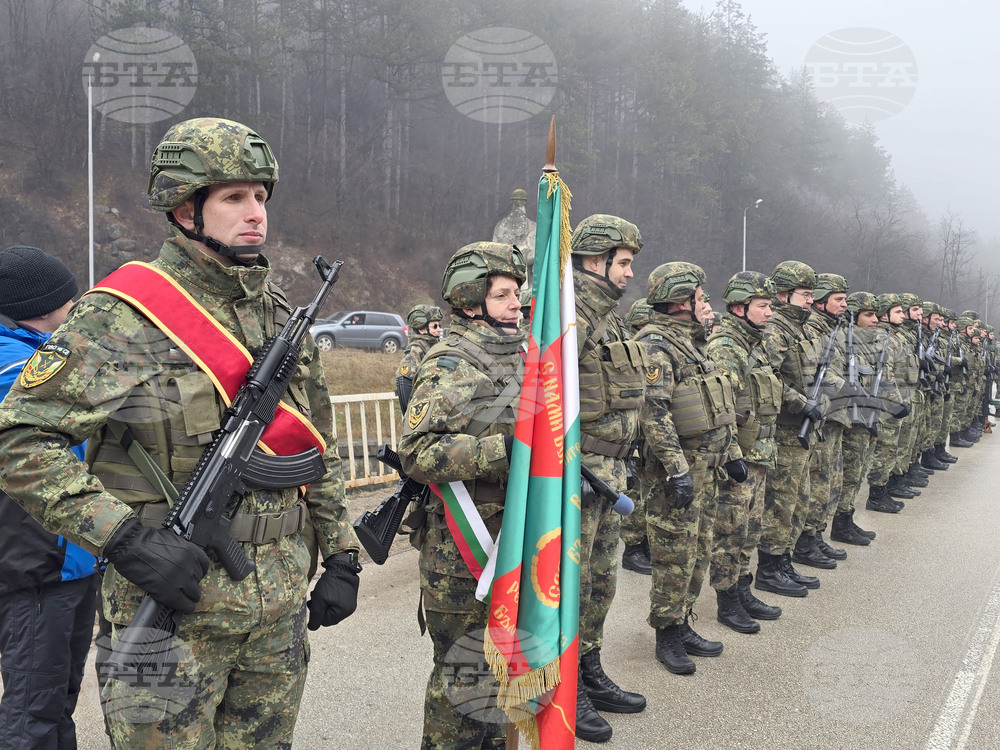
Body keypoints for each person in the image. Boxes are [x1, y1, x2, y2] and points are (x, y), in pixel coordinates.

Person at [0, 118, 359, 748]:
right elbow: (20, 442)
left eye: (261, 197)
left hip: (276, 610)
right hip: (170, 612)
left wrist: (342, 553)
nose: (256, 214)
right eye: (233, 197)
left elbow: (313, 445)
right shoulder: (124, 314)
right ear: (183, 207)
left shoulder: (277, 313)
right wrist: (125, 539)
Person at [397, 241, 526, 750]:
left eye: (517, 292)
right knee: (465, 680)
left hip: (515, 535)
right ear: (472, 302)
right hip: (462, 548)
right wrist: (507, 449)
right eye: (503, 295)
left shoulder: (522, 357)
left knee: (506, 674)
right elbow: (417, 453)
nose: (517, 302)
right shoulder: (451, 361)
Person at [0, 246, 99, 750]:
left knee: (58, 701)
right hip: (38, 567)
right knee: (31, 711)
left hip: (74, 560)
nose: (78, 308)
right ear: (42, 309)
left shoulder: (43, 354)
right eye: (70, 301)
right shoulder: (13, 364)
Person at [636, 262, 741, 675]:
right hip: (674, 474)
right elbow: (653, 412)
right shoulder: (657, 347)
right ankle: (666, 635)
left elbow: (718, 409)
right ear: (682, 302)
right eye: (700, 297)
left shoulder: (693, 346)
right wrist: (677, 469)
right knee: (674, 556)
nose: (706, 304)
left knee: (698, 552)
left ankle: (683, 622)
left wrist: (731, 454)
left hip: (706, 469)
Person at [569, 215, 647, 742]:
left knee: (601, 581)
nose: (628, 273)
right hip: (577, 475)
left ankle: (590, 669)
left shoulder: (610, 319)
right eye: (623, 263)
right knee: (571, 585)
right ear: (595, 260)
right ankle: (565, 684)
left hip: (610, 473)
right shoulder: (567, 316)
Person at [705, 271, 783, 633]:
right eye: (763, 306)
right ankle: (727, 599)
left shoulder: (754, 344)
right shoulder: (726, 347)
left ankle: (743, 588)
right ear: (739, 307)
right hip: (740, 457)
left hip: (759, 452)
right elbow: (722, 410)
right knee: (730, 531)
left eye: (770, 305)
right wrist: (732, 455)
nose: (770, 313)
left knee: (751, 529)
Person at [756, 261, 828, 598]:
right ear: (784, 294)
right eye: (805, 294)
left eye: (813, 295)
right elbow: (766, 378)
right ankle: (769, 568)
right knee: (780, 503)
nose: (811, 301)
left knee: (799, 500)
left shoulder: (802, 329)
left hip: (804, 427)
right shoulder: (775, 330)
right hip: (785, 429)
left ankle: (784, 559)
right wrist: (800, 402)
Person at [831, 292, 904, 543]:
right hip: (851, 419)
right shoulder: (844, 342)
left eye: (875, 314)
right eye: (868, 315)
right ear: (854, 316)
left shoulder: (869, 344)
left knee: (859, 471)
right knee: (850, 474)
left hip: (869, 415)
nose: (875, 320)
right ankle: (840, 525)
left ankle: (847, 520)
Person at [796, 273, 852, 571]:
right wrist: (847, 387)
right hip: (820, 414)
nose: (844, 304)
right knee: (817, 482)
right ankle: (805, 541)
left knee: (828, 480)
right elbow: (817, 372)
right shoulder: (815, 329)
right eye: (838, 300)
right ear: (821, 300)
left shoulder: (833, 327)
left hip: (831, 414)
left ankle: (815, 535)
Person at [865, 294, 914, 514]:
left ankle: (885, 489)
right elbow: (886, 374)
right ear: (885, 314)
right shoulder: (882, 337)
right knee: (884, 450)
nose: (903, 315)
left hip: (897, 400)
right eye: (898, 312)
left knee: (892, 448)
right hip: (886, 405)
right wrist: (897, 401)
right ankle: (876, 495)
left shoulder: (894, 336)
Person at [620, 297, 652, 576]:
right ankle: (632, 548)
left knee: (644, 491)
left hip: (643, 434)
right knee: (633, 492)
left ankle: (642, 543)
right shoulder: (629, 350)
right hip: (631, 437)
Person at [396, 304, 444, 409]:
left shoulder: (438, 346)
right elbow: (403, 381)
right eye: (435, 326)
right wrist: (410, 412)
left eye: (439, 325)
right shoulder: (415, 350)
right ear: (422, 330)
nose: (439, 329)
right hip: (424, 407)